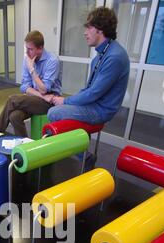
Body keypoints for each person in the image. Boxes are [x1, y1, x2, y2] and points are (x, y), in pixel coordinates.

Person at [47, 7, 130, 169]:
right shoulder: (102, 54)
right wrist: (67, 101)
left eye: (89, 27)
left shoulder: (115, 56)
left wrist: (64, 100)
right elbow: (88, 89)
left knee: (54, 113)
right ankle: (82, 150)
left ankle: (85, 156)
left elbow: (93, 93)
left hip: (101, 110)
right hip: (94, 103)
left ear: (100, 29)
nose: (85, 32)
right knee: (60, 106)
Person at [0, 30, 62, 137]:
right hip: (38, 98)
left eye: (30, 49)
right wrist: (42, 96)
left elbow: (44, 89)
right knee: (14, 116)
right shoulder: (28, 59)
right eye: (26, 49)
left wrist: (32, 70)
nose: (27, 52)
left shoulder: (52, 61)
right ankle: (24, 145)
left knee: (12, 99)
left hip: (51, 102)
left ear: (40, 48)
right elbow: (24, 86)